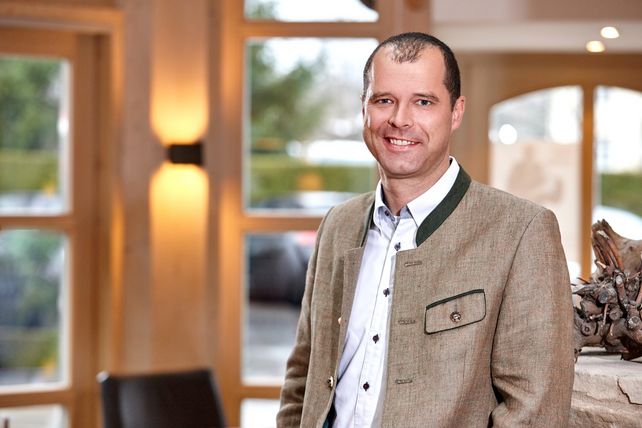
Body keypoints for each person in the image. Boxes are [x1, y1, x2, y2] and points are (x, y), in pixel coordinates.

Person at [277, 32, 574, 427]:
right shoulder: (337, 225)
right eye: (384, 100)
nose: (400, 119)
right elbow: (302, 377)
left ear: (456, 112)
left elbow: (535, 412)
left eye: (423, 102)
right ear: (364, 108)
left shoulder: (521, 231)